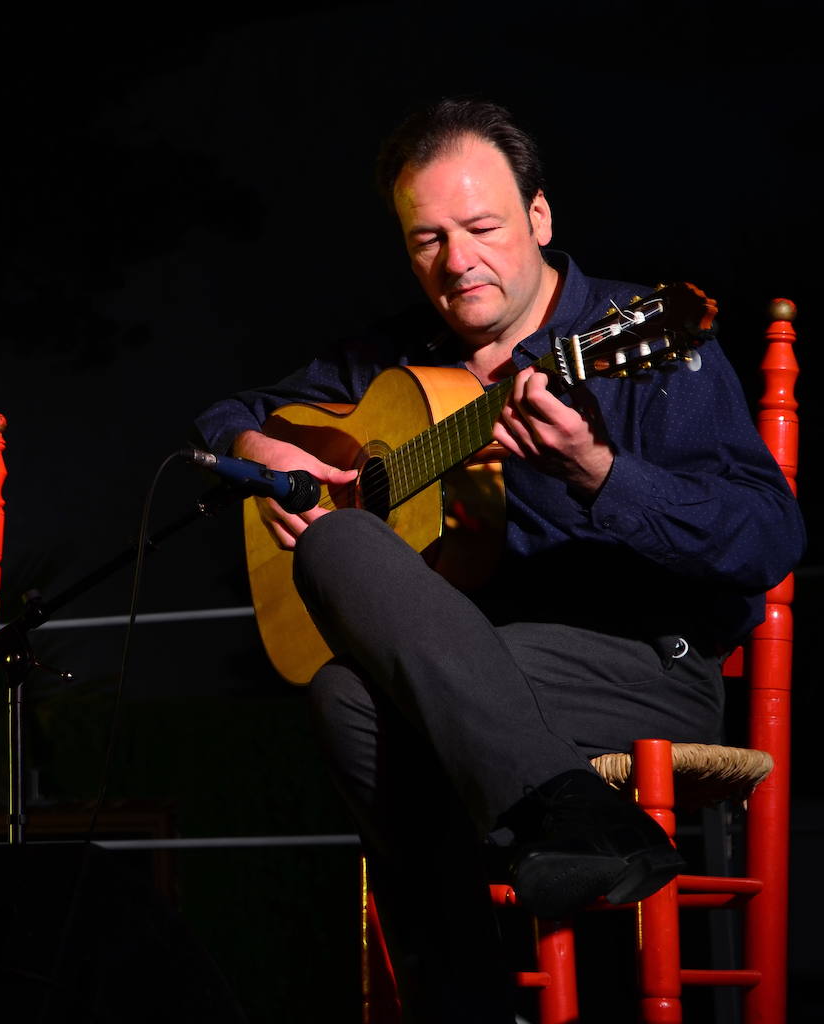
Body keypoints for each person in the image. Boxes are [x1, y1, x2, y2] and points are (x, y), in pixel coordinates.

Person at [194, 99, 805, 1020]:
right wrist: (261, 452)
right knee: (343, 611)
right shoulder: (397, 356)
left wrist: (600, 472)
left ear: (539, 218)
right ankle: (565, 828)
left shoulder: (640, 339)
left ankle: (464, 995)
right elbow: (226, 415)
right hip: (474, 669)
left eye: (482, 227)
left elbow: (769, 538)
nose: (458, 261)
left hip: (643, 664)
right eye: (427, 239)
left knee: (353, 686)